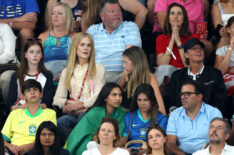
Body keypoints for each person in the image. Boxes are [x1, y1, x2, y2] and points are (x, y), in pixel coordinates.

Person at [53, 32, 105, 138]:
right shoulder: (66, 71)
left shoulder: (99, 68)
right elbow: (57, 99)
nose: (86, 48)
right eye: (82, 45)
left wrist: (79, 106)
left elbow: (98, 96)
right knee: (60, 122)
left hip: (90, 111)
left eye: (88, 45)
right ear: (75, 48)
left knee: (83, 117)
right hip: (73, 112)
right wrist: (68, 103)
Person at [166, 38, 227, 115]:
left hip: (209, 118)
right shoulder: (177, 75)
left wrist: (209, 114)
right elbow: (171, 98)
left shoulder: (215, 74)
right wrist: (174, 111)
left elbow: (221, 100)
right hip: (182, 117)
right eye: (194, 48)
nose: (198, 51)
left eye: (201, 48)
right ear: (186, 55)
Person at [87, 0, 141, 83]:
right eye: (112, 11)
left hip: (123, 73)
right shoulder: (92, 30)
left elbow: (131, 55)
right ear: (102, 16)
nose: (117, 13)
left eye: (119, 11)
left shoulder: (130, 27)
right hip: (97, 75)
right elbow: (85, 55)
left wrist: (122, 81)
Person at [65, 83, 126, 155]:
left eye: (120, 95)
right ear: (105, 97)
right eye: (114, 95)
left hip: (113, 145)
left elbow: (120, 135)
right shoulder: (94, 113)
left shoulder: (121, 112)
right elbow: (79, 135)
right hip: (89, 145)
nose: (118, 98)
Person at [1, 79, 57, 155]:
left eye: (35, 89)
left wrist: (31, 146)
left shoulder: (50, 113)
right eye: (28, 90)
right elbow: (3, 139)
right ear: (23, 97)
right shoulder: (14, 114)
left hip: (38, 151)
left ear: (41, 94)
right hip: (14, 152)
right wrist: (9, 146)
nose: (32, 92)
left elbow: (51, 138)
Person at [167, 80, 222, 154]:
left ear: (199, 97)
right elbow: (170, 143)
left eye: (187, 94)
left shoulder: (213, 113)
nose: (183, 97)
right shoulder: (175, 115)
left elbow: (218, 141)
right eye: (182, 94)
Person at [7, 39, 54, 110]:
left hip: (39, 112)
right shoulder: (16, 75)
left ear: (41, 55)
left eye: (38, 52)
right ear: (25, 55)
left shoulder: (48, 75)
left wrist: (30, 107)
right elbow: (10, 103)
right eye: (31, 52)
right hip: (19, 112)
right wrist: (20, 108)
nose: (35, 55)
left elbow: (47, 103)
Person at [119, 46, 166, 114]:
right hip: (126, 116)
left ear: (135, 62)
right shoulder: (126, 75)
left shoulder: (150, 78)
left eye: (125, 62)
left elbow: (160, 107)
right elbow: (116, 97)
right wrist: (122, 80)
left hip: (143, 117)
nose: (123, 66)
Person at [123, 84, 168, 150]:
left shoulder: (162, 119)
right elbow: (124, 139)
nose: (142, 103)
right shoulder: (129, 117)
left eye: (145, 100)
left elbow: (163, 143)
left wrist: (146, 150)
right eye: (139, 100)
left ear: (152, 101)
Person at [39, 2, 75, 81]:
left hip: (69, 80)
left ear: (67, 16)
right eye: (53, 13)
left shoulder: (75, 37)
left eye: (60, 13)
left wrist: (66, 74)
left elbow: (79, 62)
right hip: (46, 80)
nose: (55, 16)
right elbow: (37, 61)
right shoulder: (43, 37)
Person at [215, 16, 234, 96]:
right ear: (228, 29)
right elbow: (221, 72)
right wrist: (230, 47)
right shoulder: (221, 50)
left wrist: (230, 69)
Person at [0, 23, 17, 105]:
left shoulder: (4, 28)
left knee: (6, 78)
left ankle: (10, 110)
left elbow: (9, 54)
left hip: (6, 67)